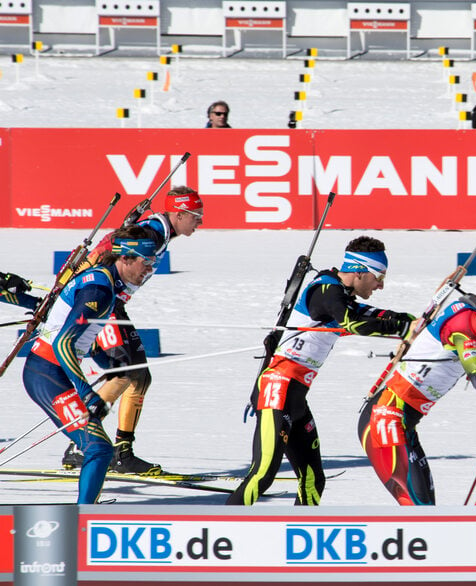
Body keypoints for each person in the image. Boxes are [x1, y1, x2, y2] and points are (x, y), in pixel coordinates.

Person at [228, 236, 415, 506]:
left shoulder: (340, 294)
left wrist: (414, 322)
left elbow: (375, 314)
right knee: (263, 474)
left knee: (313, 480)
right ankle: (220, 534)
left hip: (296, 399)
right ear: (360, 270)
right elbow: (353, 322)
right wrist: (402, 329)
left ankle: (297, 536)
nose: (381, 285)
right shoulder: (325, 291)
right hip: (277, 391)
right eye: (378, 276)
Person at [61, 186, 204, 475]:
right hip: (104, 303)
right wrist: (78, 282)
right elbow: (107, 247)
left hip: (114, 305)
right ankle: (83, 444)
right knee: (127, 373)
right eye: (196, 216)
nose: (200, 222)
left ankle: (120, 449)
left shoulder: (160, 232)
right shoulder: (151, 232)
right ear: (179, 213)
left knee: (138, 376)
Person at [358, 276, 476, 506]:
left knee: (426, 511)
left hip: (402, 421)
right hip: (386, 418)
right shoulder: (471, 322)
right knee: (419, 511)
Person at [22, 226, 157, 504]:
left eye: (154, 263)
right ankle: (84, 518)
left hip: (49, 370)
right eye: (146, 262)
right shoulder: (100, 290)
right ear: (126, 258)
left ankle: (87, 508)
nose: (150, 270)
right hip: (46, 373)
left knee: (99, 448)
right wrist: (87, 393)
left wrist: (104, 360)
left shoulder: (105, 282)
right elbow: (63, 344)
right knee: (98, 448)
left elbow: (79, 335)